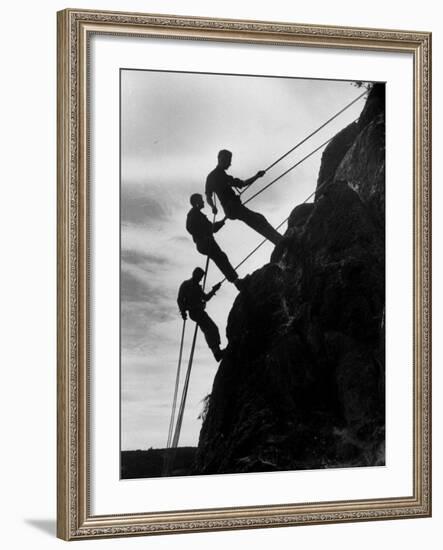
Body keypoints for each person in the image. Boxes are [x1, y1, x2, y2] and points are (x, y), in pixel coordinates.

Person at [205, 149, 283, 245]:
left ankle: (278, 240)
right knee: (257, 220)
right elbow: (242, 184)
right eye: (229, 161)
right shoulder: (220, 175)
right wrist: (257, 176)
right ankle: (279, 241)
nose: (230, 164)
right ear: (222, 159)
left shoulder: (213, 176)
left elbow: (208, 196)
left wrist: (213, 207)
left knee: (258, 219)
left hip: (231, 209)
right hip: (232, 207)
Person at [186, 193, 243, 290]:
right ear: (196, 202)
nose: (203, 201)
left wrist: (223, 220)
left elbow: (212, 228)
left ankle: (236, 281)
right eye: (201, 200)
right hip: (204, 242)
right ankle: (237, 282)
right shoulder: (193, 213)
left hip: (205, 242)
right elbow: (190, 228)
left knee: (221, 258)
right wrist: (202, 236)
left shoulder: (198, 214)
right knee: (221, 258)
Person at [177, 268, 224, 361]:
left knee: (211, 329)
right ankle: (217, 353)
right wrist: (182, 311)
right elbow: (180, 299)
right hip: (195, 312)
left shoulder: (197, 287)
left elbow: (205, 298)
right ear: (195, 275)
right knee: (210, 329)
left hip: (198, 311)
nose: (201, 279)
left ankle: (217, 352)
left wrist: (214, 290)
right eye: (200, 277)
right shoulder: (186, 285)